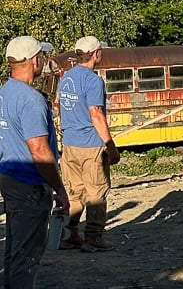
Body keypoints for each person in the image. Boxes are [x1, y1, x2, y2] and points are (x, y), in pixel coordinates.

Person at [0, 35, 70, 288]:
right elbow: (39, 151)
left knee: (15, 248)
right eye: (42, 56)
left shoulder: (5, 92)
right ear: (34, 60)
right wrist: (60, 189)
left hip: (10, 176)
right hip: (28, 183)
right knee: (27, 254)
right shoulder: (30, 99)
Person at [56, 36, 121, 252]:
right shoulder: (93, 81)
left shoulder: (66, 77)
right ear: (96, 53)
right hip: (90, 145)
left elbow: (59, 103)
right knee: (97, 193)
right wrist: (110, 146)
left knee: (75, 193)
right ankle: (94, 237)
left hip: (69, 145)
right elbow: (96, 114)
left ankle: (70, 234)